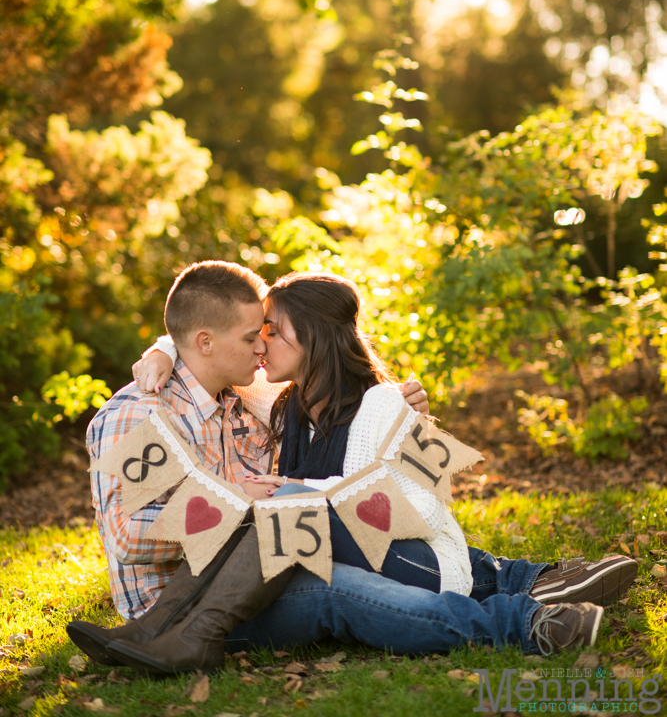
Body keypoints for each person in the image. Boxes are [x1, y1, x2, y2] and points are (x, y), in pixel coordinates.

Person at [69, 262, 636, 673]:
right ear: (207, 342)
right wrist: (249, 502)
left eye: (269, 334)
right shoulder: (141, 415)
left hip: (273, 562)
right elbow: (132, 533)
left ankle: (525, 586)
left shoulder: (247, 401)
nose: (262, 349)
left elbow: (403, 483)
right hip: (181, 595)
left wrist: (407, 416)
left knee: (316, 520)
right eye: (253, 337)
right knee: (339, 583)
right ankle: (526, 620)